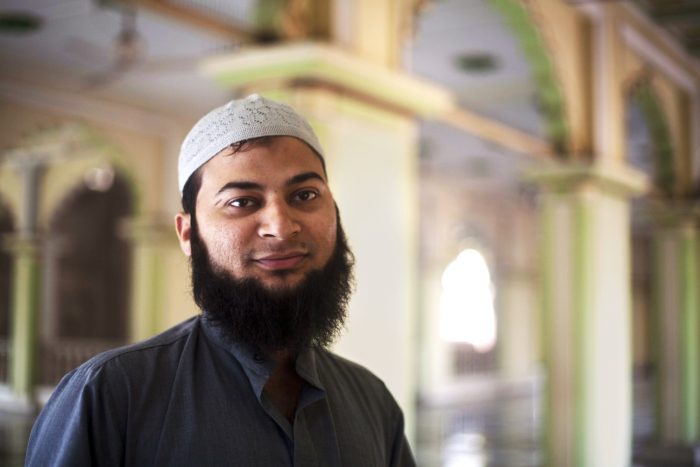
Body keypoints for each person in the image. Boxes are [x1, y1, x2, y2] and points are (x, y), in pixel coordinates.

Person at [25, 94, 416, 466]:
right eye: (241, 202)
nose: (280, 227)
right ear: (187, 235)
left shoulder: (372, 402)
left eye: (305, 195)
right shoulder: (107, 396)